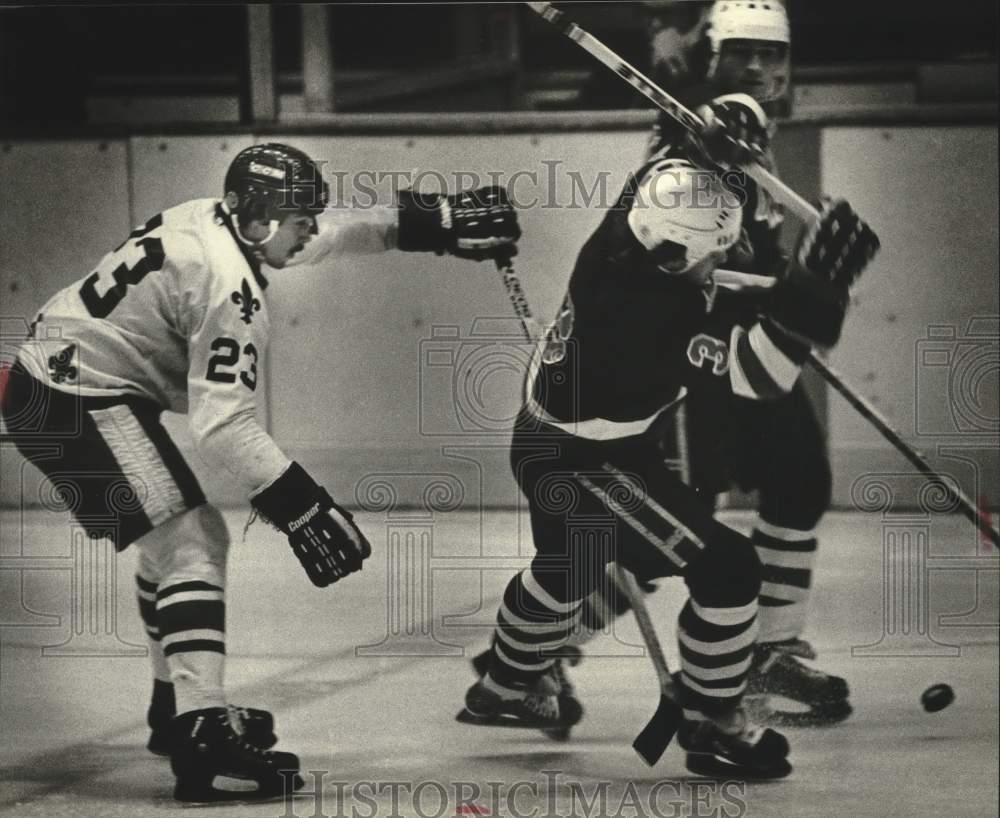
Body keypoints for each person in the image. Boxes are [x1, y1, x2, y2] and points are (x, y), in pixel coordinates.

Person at [0, 143, 520, 803]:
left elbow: (330, 236)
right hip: (75, 400)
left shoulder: (217, 220)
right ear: (258, 220)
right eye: (298, 216)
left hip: (60, 382)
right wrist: (305, 507)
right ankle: (201, 736)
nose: (310, 228)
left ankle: (181, 709)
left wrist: (430, 222)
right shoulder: (230, 288)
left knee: (172, 546)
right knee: (194, 542)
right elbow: (223, 422)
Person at [458, 110, 878, 777]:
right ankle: (713, 723)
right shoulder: (654, 319)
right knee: (728, 567)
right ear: (678, 256)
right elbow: (764, 373)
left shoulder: (634, 214)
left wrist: (708, 144)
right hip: (586, 462)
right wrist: (821, 286)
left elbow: (673, 168)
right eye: (717, 253)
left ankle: (505, 686)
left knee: (567, 570)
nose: (728, 260)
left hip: (553, 440)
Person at [529, 0, 854, 729]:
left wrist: (798, 289)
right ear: (712, 57)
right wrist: (712, 131)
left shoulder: (753, 139)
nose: (763, 69)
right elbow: (673, 208)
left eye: (775, 55)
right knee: (672, 537)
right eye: (744, 53)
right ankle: (543, 649)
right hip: (694, 362)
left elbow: (750, 251)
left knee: (800, 482)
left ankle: (770, 654)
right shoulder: (696, 128)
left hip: (746, 348)